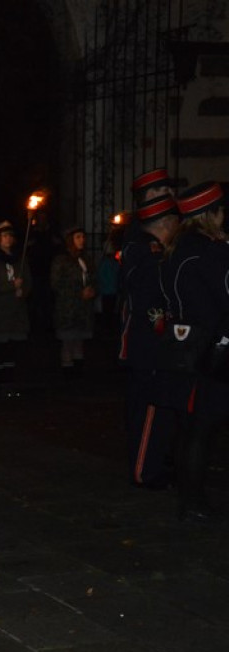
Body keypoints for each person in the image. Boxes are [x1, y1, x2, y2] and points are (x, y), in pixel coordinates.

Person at [156, 182, 228, 522]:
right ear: (210, 214)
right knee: (202, 427)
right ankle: (194, 500)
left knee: (190, 425)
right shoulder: (211, 251)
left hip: (181, 345)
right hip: (209, 347)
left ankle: (189, 496)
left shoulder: (177, 247)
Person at [119, 195, 179, 490]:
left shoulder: (149, 253)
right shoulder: (148, 257)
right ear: (166, 224)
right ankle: (144, 470)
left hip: (149, 344)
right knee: (147, 410)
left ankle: (151, 465)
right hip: (149, 344)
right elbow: (148, 304)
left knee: (152, 410)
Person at [0, 221, 32, 393]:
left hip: (15, 312)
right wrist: (11, 286)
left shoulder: (20, 258)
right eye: (4, 236)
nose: (8, 239)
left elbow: (28, 281)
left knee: (12, 348)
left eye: (10, 236)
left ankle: (11, 380)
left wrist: (22, 290)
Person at [50, 226, 96, 377]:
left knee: (79, 341)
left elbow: (93, 278)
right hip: (68, 308)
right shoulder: (61, 260)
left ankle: (78, 372)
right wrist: (78, 293)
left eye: (83, 237)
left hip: (83, 309)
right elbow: (56, 284)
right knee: (68, 341)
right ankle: (68, 372)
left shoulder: (85, 260)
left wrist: (92, 289)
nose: (82, 240)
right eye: (78, 237)